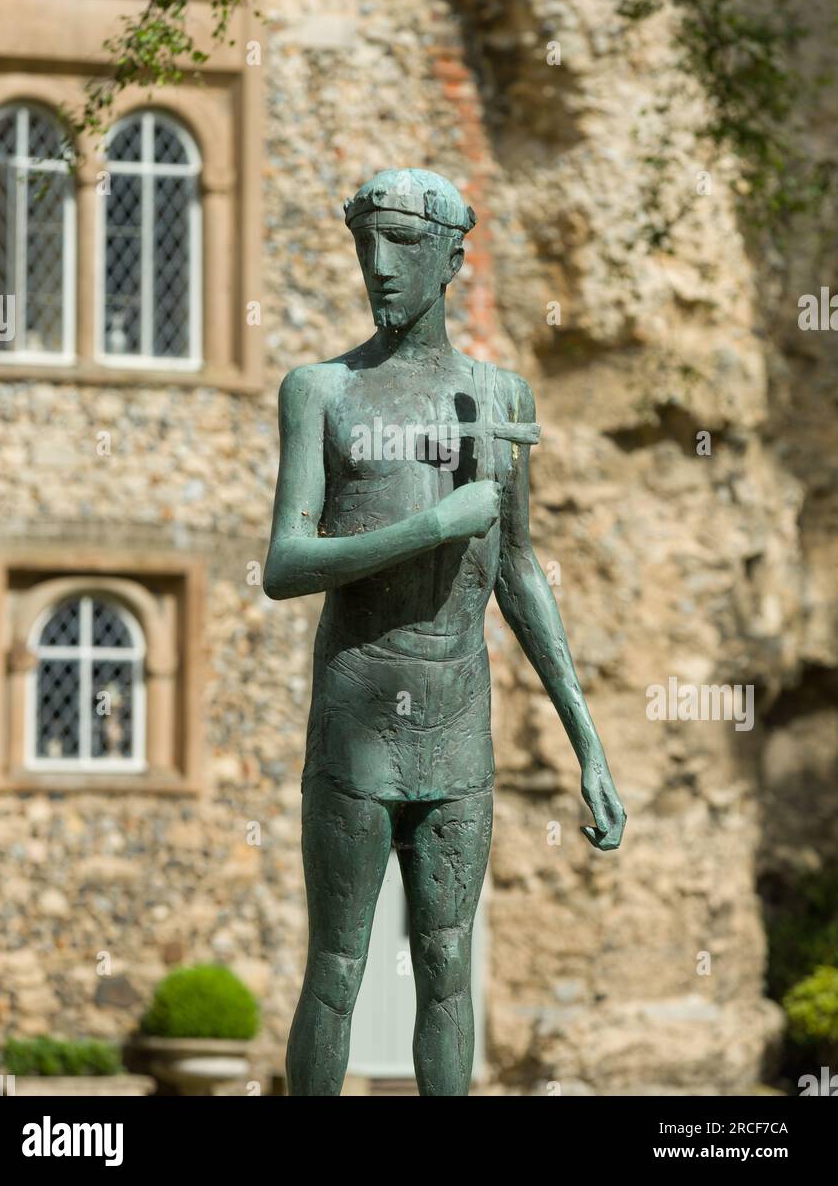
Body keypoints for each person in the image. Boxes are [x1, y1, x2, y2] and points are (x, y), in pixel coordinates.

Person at [264, 168, 626, 1096]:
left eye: (406, 246)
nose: (380, 268)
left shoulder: (498, 397)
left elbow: (519, 572)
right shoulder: (321, 392)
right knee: (338, 969)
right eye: (366, 244)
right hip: (357, 719)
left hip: (458, 723)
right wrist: (430, 526)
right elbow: (285, 565)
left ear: (453, 259)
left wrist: (588, 744)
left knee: (447, 969)